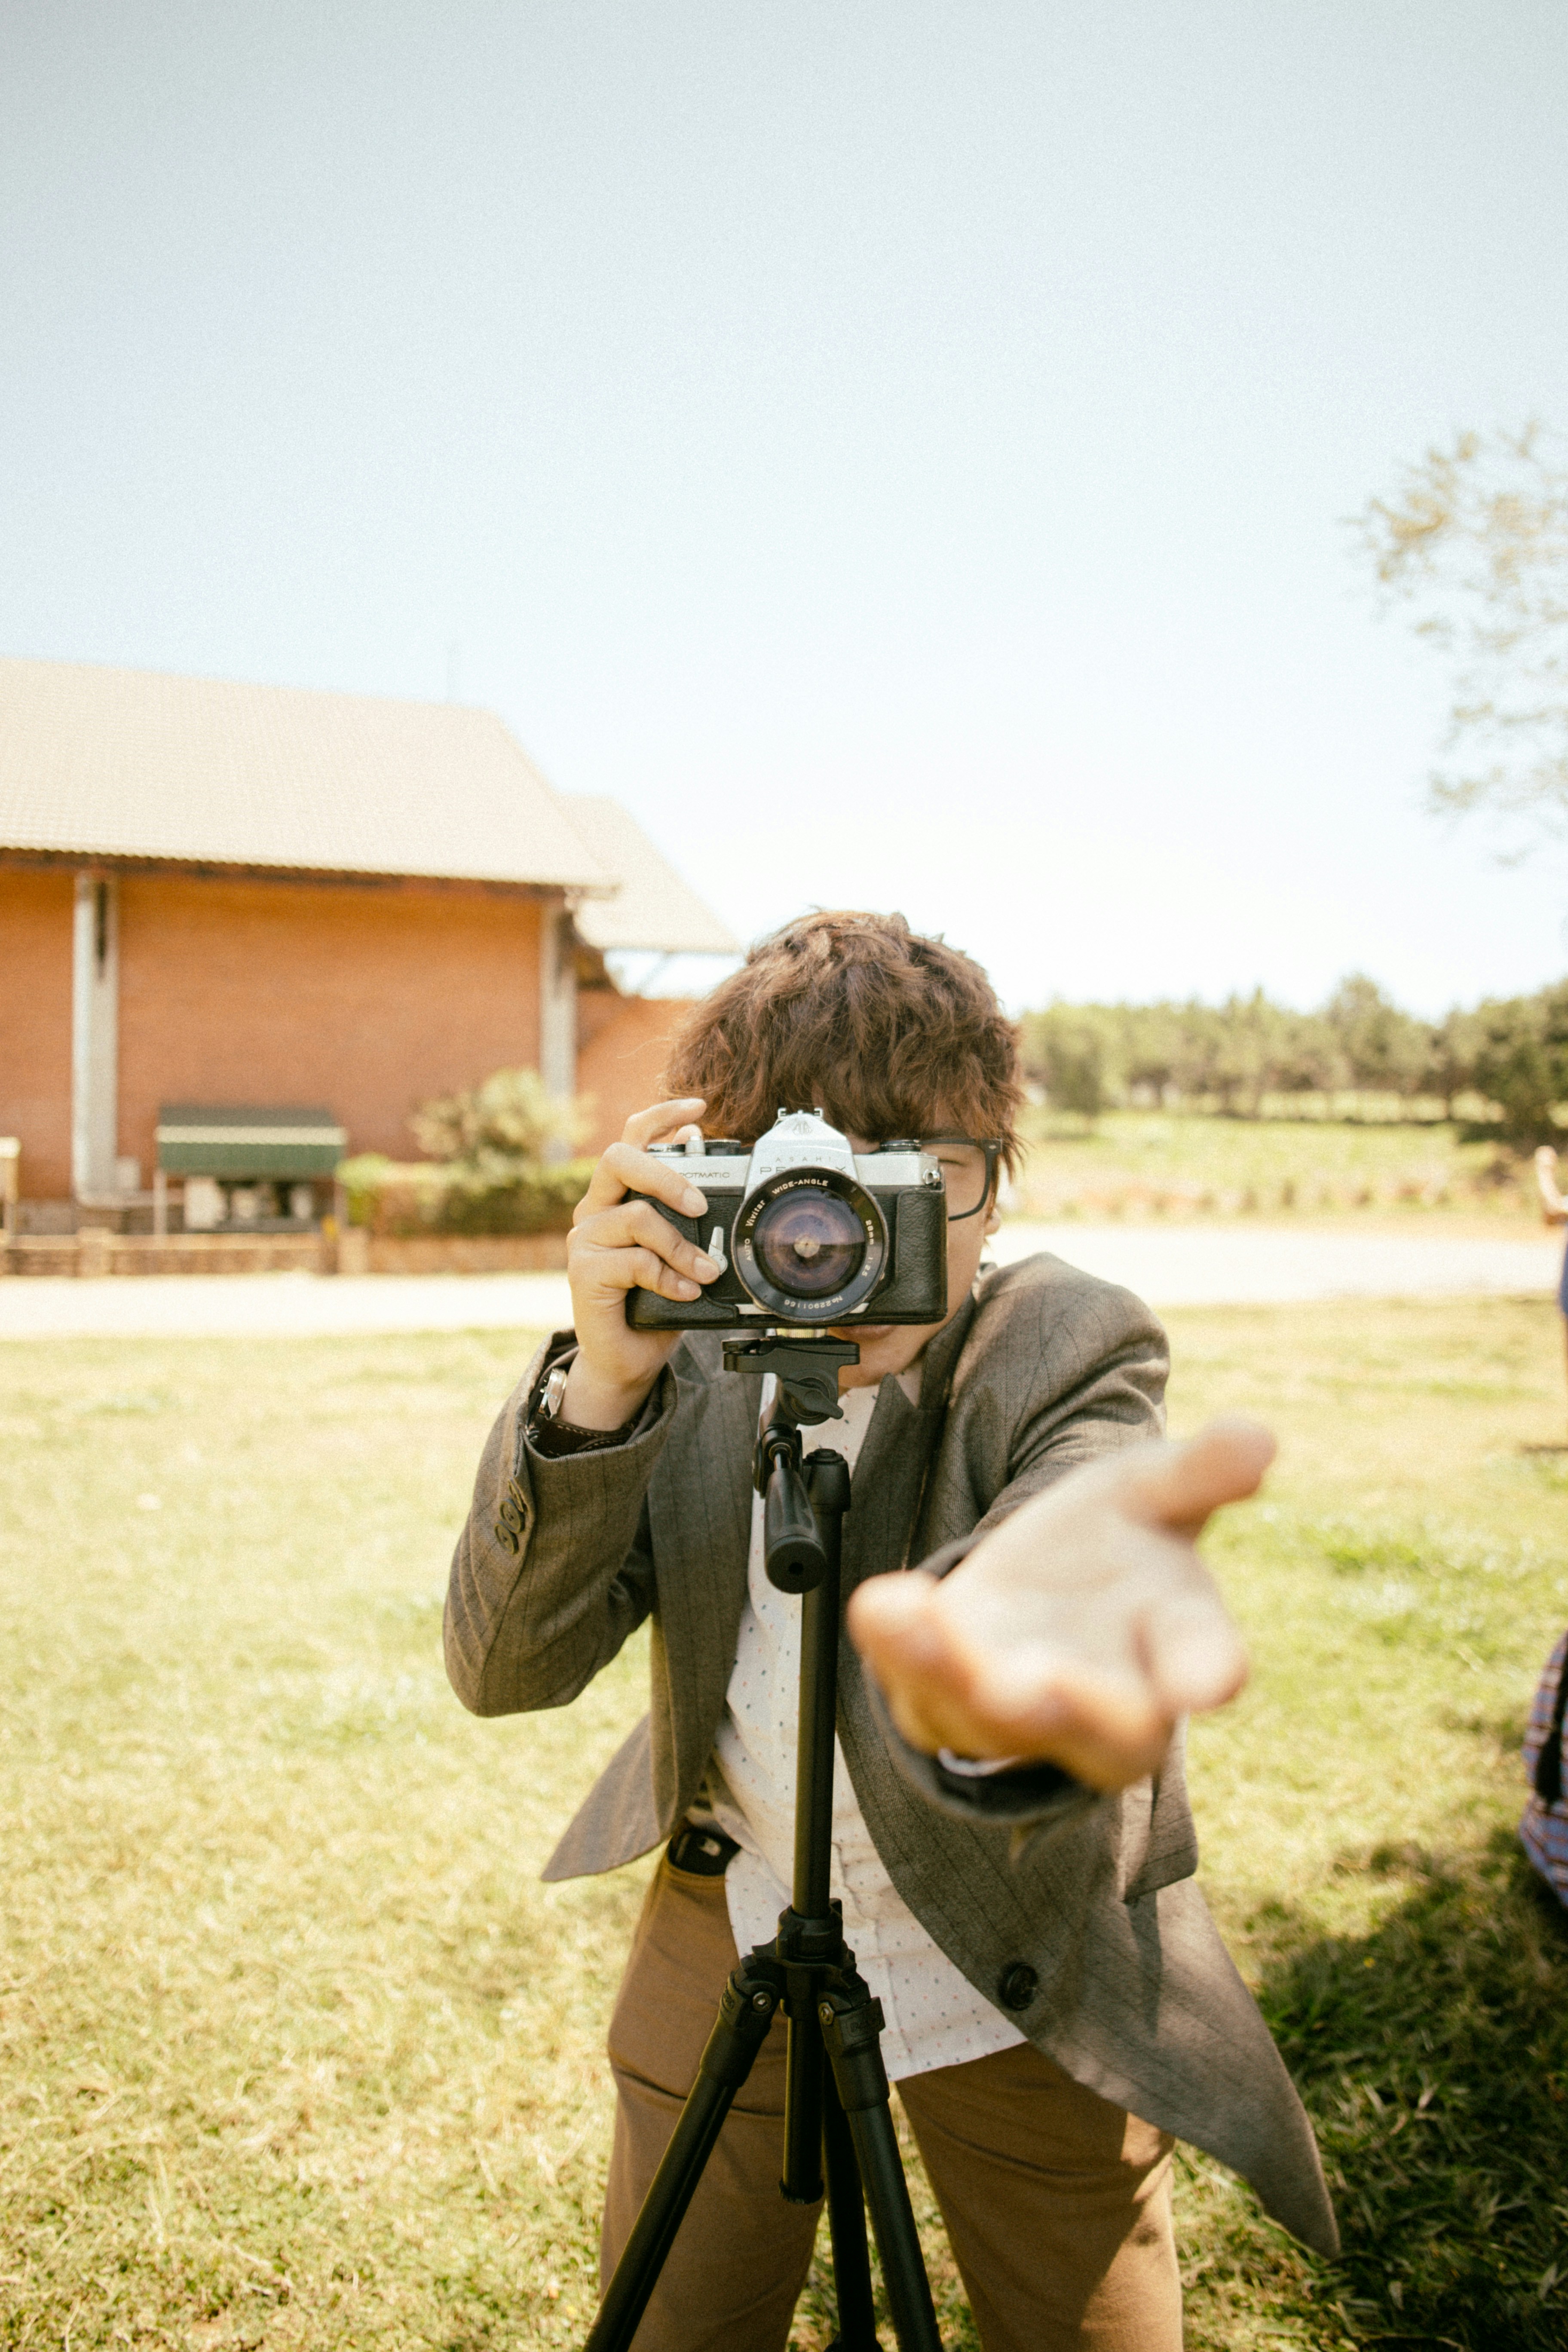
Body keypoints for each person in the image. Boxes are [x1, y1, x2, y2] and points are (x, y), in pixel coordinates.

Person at [445, 912, 1337, 2352]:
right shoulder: (682, 1350)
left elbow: (1073, 1511)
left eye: (920, 1181)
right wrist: (596, 1391)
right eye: (797, 1194)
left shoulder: (1057, 1339)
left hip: (1021, 1931)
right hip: (730, 1896)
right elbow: (505, 1670)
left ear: (997, 1188)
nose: (836, 1245)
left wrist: (1012, 1677)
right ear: (708, 1187)